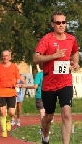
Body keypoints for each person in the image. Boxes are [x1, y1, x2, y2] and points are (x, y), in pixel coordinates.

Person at [33, 11, 80, 144]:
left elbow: (75, 52)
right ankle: (45, 136)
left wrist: (75, 62)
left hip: (65, 82)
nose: (61, 25)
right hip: (49, 84)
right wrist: (54, 56)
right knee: (48, 116)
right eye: (58, 22)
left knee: (66, 113)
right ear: (52, 24)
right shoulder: (46, 39)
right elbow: (35, 58)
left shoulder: (71, 39)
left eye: (63, 22)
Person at [0, 50, 20, 138]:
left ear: (10, 57)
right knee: (2, 111)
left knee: (11, 112)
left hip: (11, 91)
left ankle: (8, 120)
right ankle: (4, 131)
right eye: (4, 56)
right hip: (1, 91)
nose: (5, 57)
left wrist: (17, 83)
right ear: (2, 57)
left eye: (7, 56)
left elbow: (18, 78)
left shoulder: (14, 67)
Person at [23, 64, 45, 134]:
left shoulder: (39, 75)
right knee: (47, 112)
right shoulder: (51, 74)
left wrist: (26, 86)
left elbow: (35, 86)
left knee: (42, 112)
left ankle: (42, 129)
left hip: (40, 95)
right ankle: (47, 128)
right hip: (49, 95)